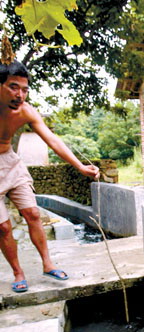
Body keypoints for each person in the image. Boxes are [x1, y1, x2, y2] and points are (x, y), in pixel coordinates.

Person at [0, 60, 100, 292]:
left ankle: (48, 264)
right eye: (13, 87)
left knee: (33, 213)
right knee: (3, 228)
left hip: (11, 162)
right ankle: (18, 272)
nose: (20, 95)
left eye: (25, 90)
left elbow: (53, 141)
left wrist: (80, 166)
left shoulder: (26, 111)